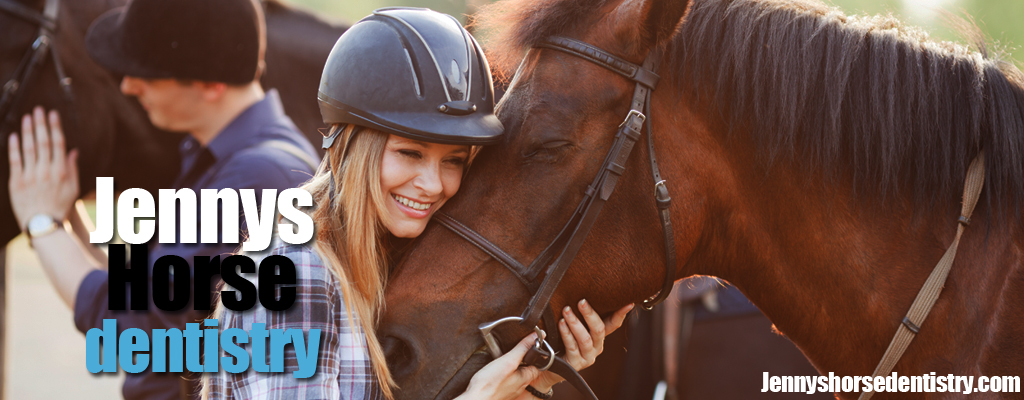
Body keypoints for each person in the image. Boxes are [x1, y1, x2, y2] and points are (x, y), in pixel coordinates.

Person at [204, 8, 633, 400]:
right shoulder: (292, 275)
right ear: (348, 149)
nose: (432, 184)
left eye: (453, 161)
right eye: (410, 153)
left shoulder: (384, 259)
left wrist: (530, 383)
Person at [6, 0, 318, 399]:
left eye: (147, 74)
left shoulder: (255, 177)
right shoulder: (236, 158)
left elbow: (144, 331)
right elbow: (156, 297)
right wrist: (66, 220)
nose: (128, 86)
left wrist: (42, 225)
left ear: (210, 84)